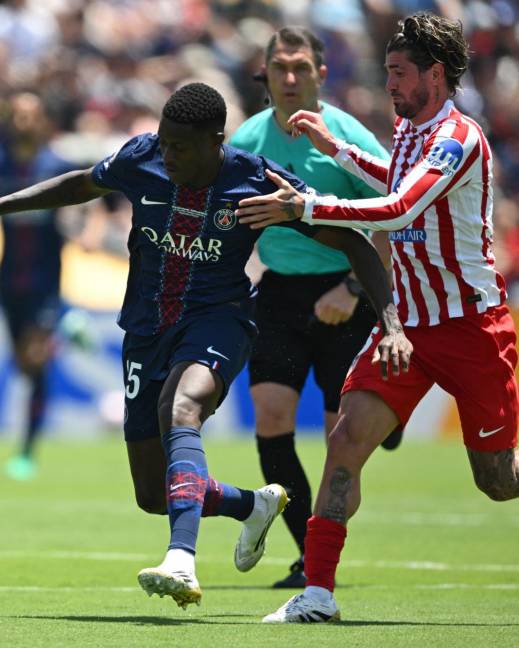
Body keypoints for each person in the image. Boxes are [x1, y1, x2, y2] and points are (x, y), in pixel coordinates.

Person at [0, 82, 411, 612]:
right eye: (165, 142)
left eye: (181, 146)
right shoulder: (142, 157)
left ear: (216, 141)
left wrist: (391, 321)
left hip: (219, 320)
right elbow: (82, 184)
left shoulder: (256, 180)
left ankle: (181, 559)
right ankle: (251, 506)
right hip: (146, 329)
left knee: (182, 407)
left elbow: (351, 240)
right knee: (153, 494)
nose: (169, 154)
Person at [236, 13, 519, 623]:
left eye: (399, 72)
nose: (388, 83)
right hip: (410, 327)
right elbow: (394, 178)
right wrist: (335, 150)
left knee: (497, 482)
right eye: (388, 71)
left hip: (471, 327)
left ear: (435, 75)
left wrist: (306, 205)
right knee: (344, 442)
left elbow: (397, 208)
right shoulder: (411, 129)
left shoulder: (458, 137)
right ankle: (318, 593)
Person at [229, 26, 402, 589]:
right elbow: (231, 219)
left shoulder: (346, 137)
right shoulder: (248, 139)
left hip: (347, 290)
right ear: (266, 74)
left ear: (320, 74)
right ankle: (310, 556)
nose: (289, 77)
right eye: (280, 67)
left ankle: (388, 419)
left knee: (340, 442)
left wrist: (352, 288)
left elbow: (394, 215)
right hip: (280, 291)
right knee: (271, 417)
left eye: (300, 67)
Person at [0, 93, 72, 480]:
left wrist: (88, 230)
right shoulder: (3, 165)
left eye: (31, 114)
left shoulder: (55, 165)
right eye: (18, 114)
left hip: (44, 283)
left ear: (42, 119)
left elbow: (95, 205)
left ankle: (28, 449)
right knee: (23, 365)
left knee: (35, 360)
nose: (24, 121)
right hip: (9, 281)